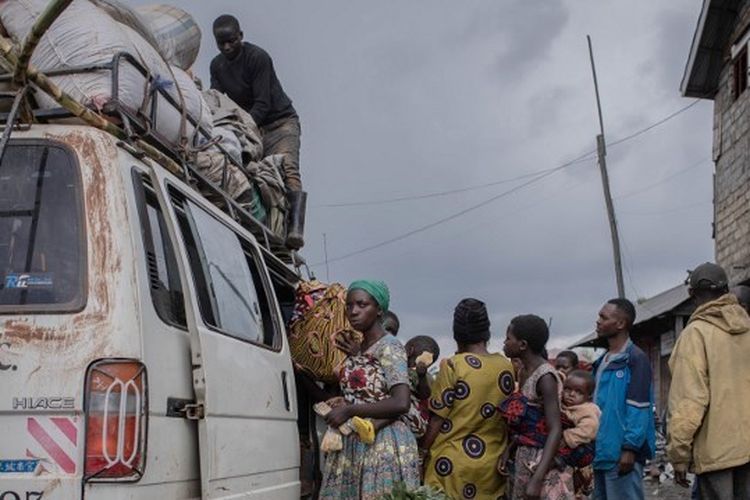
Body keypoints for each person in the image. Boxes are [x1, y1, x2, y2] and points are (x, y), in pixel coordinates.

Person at [210, 14, 306, 249]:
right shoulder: (217, 66)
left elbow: (262, 103)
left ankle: (295, 230)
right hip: (251, 127)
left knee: (287, 169)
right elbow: (218, 102)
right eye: (221, 43)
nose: (227, 47)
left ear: (240, 36)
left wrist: (245, 129)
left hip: (280, 123)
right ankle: (266, 228)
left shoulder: (258, 58)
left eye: (231, 41)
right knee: (258, 177)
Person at [319, 280, 419, 499]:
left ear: (379, 310)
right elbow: (368, 391)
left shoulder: (390, 347)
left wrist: (349, 411)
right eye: (349, 305)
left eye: (362, 305)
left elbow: (401, 402)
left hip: (383, 444)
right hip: (356, 441)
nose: (353, 311)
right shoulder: (360, 348)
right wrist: (343, 402)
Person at [667, 263, 750, 500]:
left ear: (691, 294)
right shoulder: (748, 329)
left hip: (717, 453)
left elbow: (689, 401)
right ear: (726, 290)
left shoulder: (696, 334)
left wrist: (679, 454)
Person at [422, 298, 514, 499]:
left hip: (451, 465)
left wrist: (423, 452)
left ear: (456, 334)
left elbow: (437, 418)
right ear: (487, 332)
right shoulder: (506, 367)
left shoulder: (453, 365)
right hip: (492, 465)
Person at [500, 314, 572, 499]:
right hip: (524, 455)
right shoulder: (524, 371)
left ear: (523, 345)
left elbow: (555, 428)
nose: (504, 342)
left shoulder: (545, 377)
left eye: (508, 338)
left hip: (540, 459)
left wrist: (538, 478)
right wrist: (508, 450)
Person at [591, 298, 655, 500]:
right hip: (600, 452)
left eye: (604, 317)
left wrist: (630, 448)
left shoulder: (635, 359)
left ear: (620, 324)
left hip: (622, 454)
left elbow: (639, 407)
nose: (598, 321)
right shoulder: (602, 361)